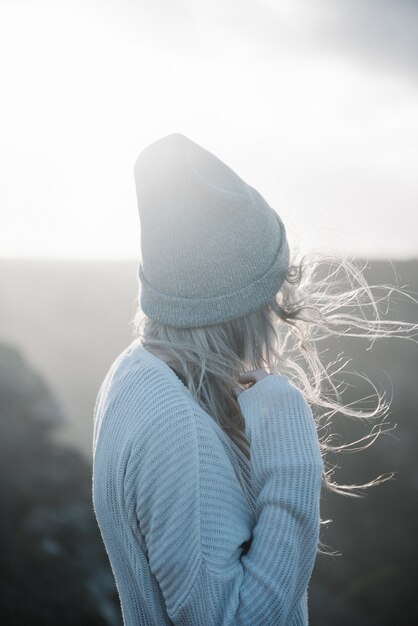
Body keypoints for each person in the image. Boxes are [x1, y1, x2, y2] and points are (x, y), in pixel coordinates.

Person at [92, 133, 413, 625]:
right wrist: (291, 468)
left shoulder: (131, 373)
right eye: (272, 292)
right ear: (240, 309)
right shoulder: (180, 433)